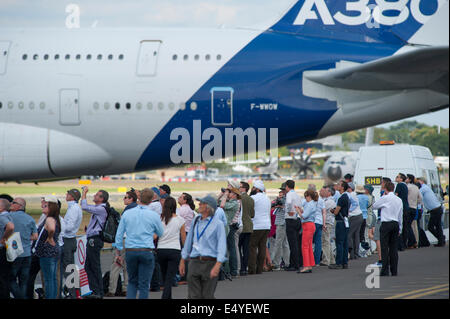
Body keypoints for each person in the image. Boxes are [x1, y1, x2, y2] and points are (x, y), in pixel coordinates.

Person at [114, 188, 164, 299]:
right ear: (151, 200)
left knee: (132, 281)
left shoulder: (128, 213)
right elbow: (160, 232)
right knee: (144, 284)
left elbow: (119, 234)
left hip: (131, 250)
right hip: (146, 250)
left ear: (139, 198)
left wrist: (118, 252)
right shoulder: (153, 215)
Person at [179, 195, 227, 299]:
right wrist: (183, 260)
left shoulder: (218, 224)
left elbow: (222, 246)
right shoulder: (196, 220)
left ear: (208, 208)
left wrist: (218, 265)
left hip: (210, 262)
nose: (199, 205)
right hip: (194, 262)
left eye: (202, 203)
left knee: (207, 296)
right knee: (193, 296)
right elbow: (188, 241)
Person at [105, 190, 137, 298]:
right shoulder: (138, 210)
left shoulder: (127, 211)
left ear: (131, 199)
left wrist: (117, 244)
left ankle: (112, 290)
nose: (124, 199)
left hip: (124, 240)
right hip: (133, 241)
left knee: (116, 265)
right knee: (127, 267)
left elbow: (121, 229)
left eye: (126, 197)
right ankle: (126, 288)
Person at [80, 187, 109, 299]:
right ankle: (95, 290)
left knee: (95, 266)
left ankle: (99, 292)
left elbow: (84, 206)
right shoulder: (99, 208)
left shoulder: (101, 208)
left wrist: (84, 193)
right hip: (93, 238)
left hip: (95, 240)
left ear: (101, 198)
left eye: (97, 195)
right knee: (88, 266)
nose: (94, 196)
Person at [157, 197, 186, 299]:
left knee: (165, 277)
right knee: (170, 278)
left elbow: (155, 235)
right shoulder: (180, 220)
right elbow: (183, 239)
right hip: (174, 250)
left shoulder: (160, 219)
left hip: (161, 250)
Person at [9, 198, 38, 299]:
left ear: (20, 206)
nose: (11, 204)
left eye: (13, 203)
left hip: (14, 253)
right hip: (27, 253)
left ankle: (20, 297)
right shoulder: (30, 219)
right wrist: (25, 237)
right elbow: (35, 236)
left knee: (10, 279)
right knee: (23, 281)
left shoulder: (9, 217)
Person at [373, 181, 403, 276]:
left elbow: (374, 206)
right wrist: (400, 228)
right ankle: (394, 270)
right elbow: (400, 215)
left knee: (384, 247)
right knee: (393, 248)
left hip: (386, 223)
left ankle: (385, 270)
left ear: (385, 189)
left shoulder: (385, 198)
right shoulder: (399, 199)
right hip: (395, 223)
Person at [35, 196, 61, 299]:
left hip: (47, 251)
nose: (43, 207)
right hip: (52, 251)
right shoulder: (55, 218)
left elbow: (51, 229)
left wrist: (50, 237)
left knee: (48, 278)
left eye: (46, 205)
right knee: (52, 278)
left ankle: (50, 296)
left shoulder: (49, 219)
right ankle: (53, 296)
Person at [61, 189, 82, 299]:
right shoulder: (73, 207)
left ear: (73, 197)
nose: (66, 195)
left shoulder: (73, 209)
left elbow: (69, 227)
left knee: (68, 269)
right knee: (71, 268)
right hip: (70, 239)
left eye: (68, 194)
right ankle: (75, 293)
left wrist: (60, 225)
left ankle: (73, 294)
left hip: (68, 240)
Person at [248, 180, 271, 275]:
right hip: (266, 225)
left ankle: (252, 269)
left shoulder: (253, 198)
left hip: (256, 225)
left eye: (253, 187)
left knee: (252, 247)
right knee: (262, 247)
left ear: (257, 189)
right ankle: (260, 269)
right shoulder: (267, 198)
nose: (252, 189)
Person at [417, 177, 446, 247]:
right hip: (437, 208)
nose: (417, 183)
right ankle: (441, 240)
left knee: (430, 227)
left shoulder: (423, 188)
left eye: (418, 182)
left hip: (435, 210)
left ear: (422, 181)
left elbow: (417, 195)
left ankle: (441, 238)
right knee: (438, 226)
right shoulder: (426, 187)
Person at [219, 187, 240, 277]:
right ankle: (226, 270)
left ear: (235, 195)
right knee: (226, 248)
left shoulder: (235, 203)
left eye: (230, 193)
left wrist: (225, 195)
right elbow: (217, 202)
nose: (228, 194)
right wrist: (222, 194)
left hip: (228, 226)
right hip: (224, 226)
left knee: (229, 249)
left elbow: (222, 206)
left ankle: (231, 270)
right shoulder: (229, 201)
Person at [329, 181, 350, 270]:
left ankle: (339, 263)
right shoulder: (347, 197)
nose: (337, 186)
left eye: (339, 185)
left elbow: (337, 211)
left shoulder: (342, 198)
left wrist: (333, 211)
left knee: (339, 243)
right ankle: (344, 262)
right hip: (345, 221)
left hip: (340, 221)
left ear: (342, 187)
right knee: (345, 243)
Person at [295, 190, 317, 273]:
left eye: (305, 196)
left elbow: (304, 216)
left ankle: (306, 265)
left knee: (304, 246)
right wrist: (301, 210)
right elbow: (307, 214)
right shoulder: (312, 204)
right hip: (311, 225)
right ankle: (310, 264)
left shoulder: (310, 204)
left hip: (307, 225)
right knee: (309, 246)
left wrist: (298, 211)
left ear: (308, 196)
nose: (305, 198)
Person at [176, 192, 195, 284]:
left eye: (180, 197)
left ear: (185, 200)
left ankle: (184, 277)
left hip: (184, 232)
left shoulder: (183, 209)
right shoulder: (188, 209)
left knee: (183, 255)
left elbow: (177, 221)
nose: (178, 198)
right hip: (188, 232)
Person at [284, 180, 303, 272]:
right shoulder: (297, 195)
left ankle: (294, 264)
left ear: (287, 186)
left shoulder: (289, 194)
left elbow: (288, 203)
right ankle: (295, 263)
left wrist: (289, 211)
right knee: (296, 242)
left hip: (290, 219)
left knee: (292, 243)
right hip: (297, 219)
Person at [271, 184, 290, 271]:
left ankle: (276, 263)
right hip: (284, 222)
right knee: (285, 244)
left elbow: (287, 209)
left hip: (281, 222)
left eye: (283, 191)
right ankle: (287, 262)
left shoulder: (286, 200)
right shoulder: (285, 199)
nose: (281, 192)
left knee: (278, 243)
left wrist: (281, 205)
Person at [238, 181, 254, 276]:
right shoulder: (251, 199)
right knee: (246, 248)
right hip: (249, 225)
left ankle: (241, 267)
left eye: (240, 187)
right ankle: (245, 268)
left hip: (241, 225)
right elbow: (252, 214)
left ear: (244, 188)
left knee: (238, 247)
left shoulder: (239, 198)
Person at [0, 199, 14, 299]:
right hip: (8, 249)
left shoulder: (2, 217)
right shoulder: (10, 215)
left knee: (2, 277)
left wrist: (4, 238)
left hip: (1, 249)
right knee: (6, 275)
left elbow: (10, 227)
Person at [319, 187, 336, 267]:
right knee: (327, 241)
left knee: (325, 241)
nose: (323, 192)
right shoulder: (328, 201)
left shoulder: (329, 201)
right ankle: (331, 259)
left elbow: (322, 210)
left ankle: (326, 260)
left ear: (329, 192)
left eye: (325, 191)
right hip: (328, 222)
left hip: (327, 222)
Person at [347, 183, 363, 260]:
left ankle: (351, 253)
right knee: (356, 235)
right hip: (359, 215)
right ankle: (356, 254)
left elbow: (354, 204)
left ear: (349, 188)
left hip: (354, 216)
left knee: (349, 235)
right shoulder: (354, 194)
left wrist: (349, 211)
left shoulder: (350, 195)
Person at [406, 174, 422, 249]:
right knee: (410, 225)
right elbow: (420, 198)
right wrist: (416, 203)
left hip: (408, 207)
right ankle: (414, 242)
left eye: (406, 178)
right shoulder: (416, 187)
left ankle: (412, 242)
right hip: (414, 208)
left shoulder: (407, 187)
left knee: (407, 226)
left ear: (409, 179)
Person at [395, 173, 410, 251]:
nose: (396, 178)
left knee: (400, 226)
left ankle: (400, 245)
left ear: (401, 179)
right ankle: (404, 244)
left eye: (397, 177)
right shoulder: (405, 185)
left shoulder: (399, 185)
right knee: (405, 227)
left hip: (401, 207)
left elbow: (396, 196)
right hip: (406, 207)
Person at [312, 189, 326, 267]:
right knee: (318, 242)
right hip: (320, 222)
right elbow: (324, 213)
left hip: (312, 222)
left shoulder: (310, 201)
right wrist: (324, 223)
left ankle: (310, 260)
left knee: (310, 242)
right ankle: (317, 261)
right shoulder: (321, 201)